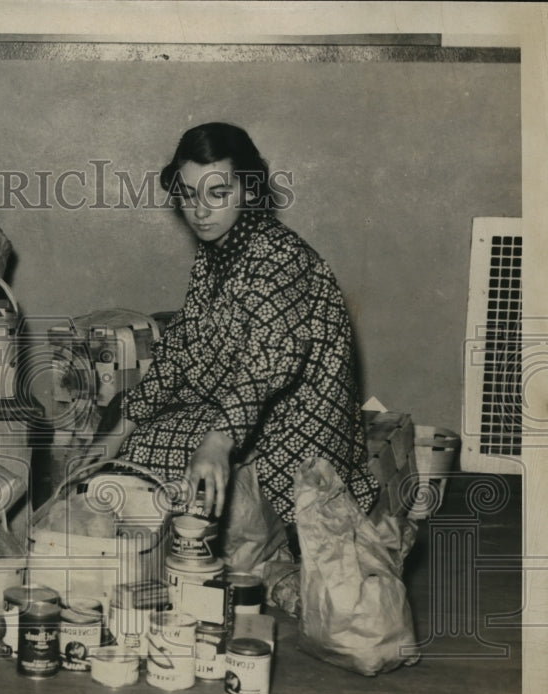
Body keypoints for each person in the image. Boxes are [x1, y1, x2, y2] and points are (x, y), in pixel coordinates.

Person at [90, 122, 378, 569]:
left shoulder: (279, 257)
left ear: (248, 189)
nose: (200, 211)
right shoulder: (217, 254)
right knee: (135, 441)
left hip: (297, 430)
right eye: (188, 195)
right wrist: (122, 426)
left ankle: (248, 554)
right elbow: (180, 348)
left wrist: (218, 441)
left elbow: (269, 366)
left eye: (217, 193)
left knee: (155, 456)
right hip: (250, 413)